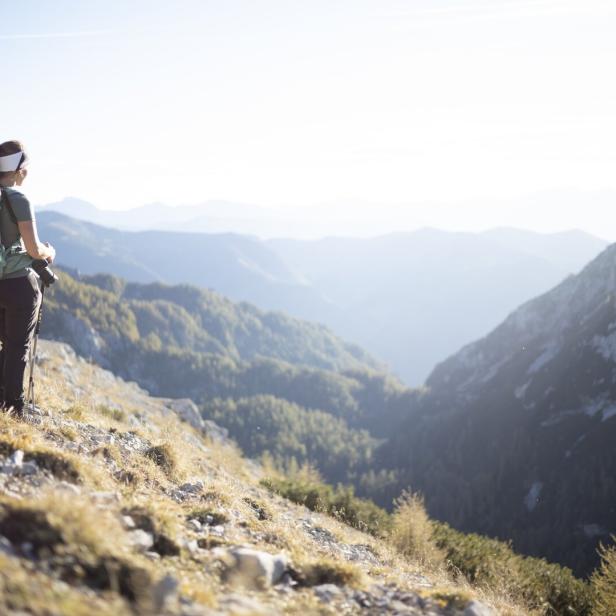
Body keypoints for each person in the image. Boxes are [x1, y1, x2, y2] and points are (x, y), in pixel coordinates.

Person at [0, 140, 56, 417]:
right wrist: (49, 251)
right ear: (19, 169)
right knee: (17, 346)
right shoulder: (17, 199)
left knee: (1, 344)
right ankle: (13, 407)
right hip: (19, 284)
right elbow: (33, 249)